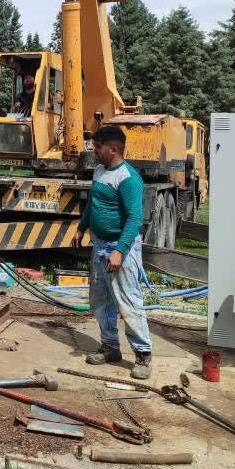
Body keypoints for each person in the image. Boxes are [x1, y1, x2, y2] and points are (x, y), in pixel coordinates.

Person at [73, 124, 152, 379]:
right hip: (99, 246)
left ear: (114, 149)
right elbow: (92, 206)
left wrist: (120, 251)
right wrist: (81, 228)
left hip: (120, 248)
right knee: (102, 300)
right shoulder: (99, 171)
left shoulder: (128, 178)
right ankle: (110, 348)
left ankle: (142, 355)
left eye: (98, 147)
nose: (94, 151)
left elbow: (134, 219)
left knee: (128, 301)